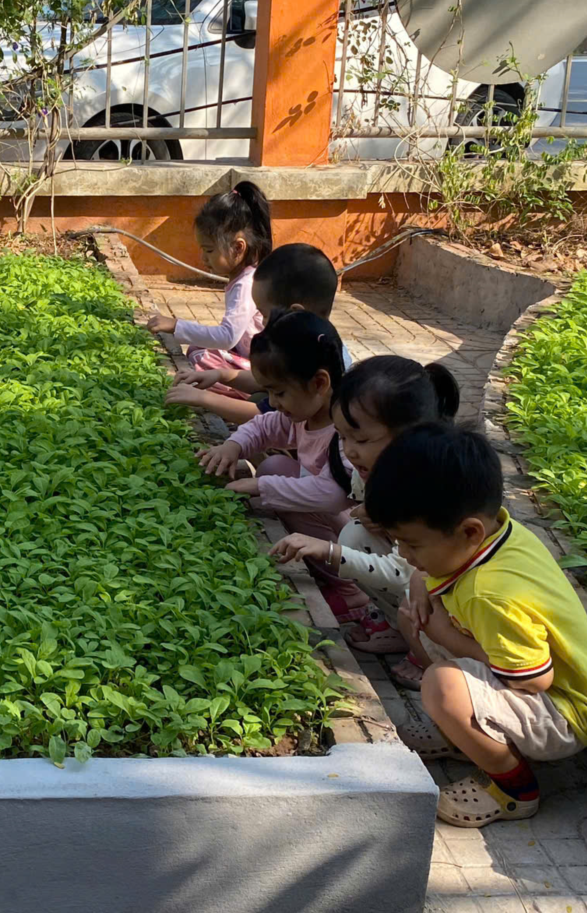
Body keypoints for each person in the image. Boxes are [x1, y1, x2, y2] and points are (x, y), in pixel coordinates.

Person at [360, 422, 587, 828]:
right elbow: (427, 577)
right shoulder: (497, 532)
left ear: (469, 531)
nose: (404, 554)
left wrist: (444, 635)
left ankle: (514, 788)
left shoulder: (490, 593)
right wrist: (422, 584)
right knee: (416, 608)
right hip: (530, 684)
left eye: (412, 543)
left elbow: (534, 680)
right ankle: (463, 735)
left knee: (441, 686)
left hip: (565, 714)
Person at [196, 311, 404, 656]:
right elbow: (264, 425)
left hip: (372, 535)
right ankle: (337, 576)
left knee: (279, 484)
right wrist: (233, 446)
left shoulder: (347, 431)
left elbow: (333, 495)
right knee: (275, 466)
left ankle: (350, 592)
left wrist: (262, 487)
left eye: (278, 392)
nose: (273, 402)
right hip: (352, 525)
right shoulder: (306, 414)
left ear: (319, 383)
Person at [269, 354, 461, 687]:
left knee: (365, 554)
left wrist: (328, 551)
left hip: (454, 601)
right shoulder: (373, 470)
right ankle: (399, 627)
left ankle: (433, 654)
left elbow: (403, 573)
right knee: (355, 534)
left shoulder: (427, 488)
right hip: (417, 580)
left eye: (361, 440)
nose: (350, 451)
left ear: (409, 436)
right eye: (342, 437)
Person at [166, 240, 341, 422]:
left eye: (263, 314)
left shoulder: (317, 356)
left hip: (298, 432)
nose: (262, 322)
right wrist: (221, 375)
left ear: (294, 313)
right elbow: (266, 380)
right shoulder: (305, 341)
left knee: (258, 401)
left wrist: (203, 398)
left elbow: (266, 417)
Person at [144, 181, 272, 388]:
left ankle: (231, 395)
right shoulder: (244, 277)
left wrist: (176, 325)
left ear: (238, 247)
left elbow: (227, 337)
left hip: (265, 372)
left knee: (201, 357)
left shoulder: (246, 284)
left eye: (209, 250)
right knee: (197, 349)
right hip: (249, 355)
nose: (203, 258)